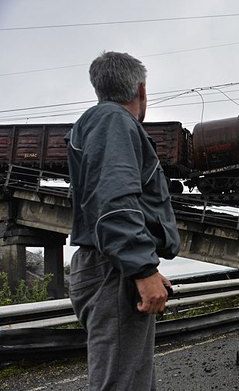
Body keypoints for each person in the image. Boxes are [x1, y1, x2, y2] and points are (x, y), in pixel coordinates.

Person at [66, 51, 181, 390]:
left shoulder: (99, 122)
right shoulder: (113, 121)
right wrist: (142, 269)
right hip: (112, 270)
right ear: (141, 89)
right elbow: (114, 201)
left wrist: (144, 266)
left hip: (112, 266)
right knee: (122, 384)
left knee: (132, 380)